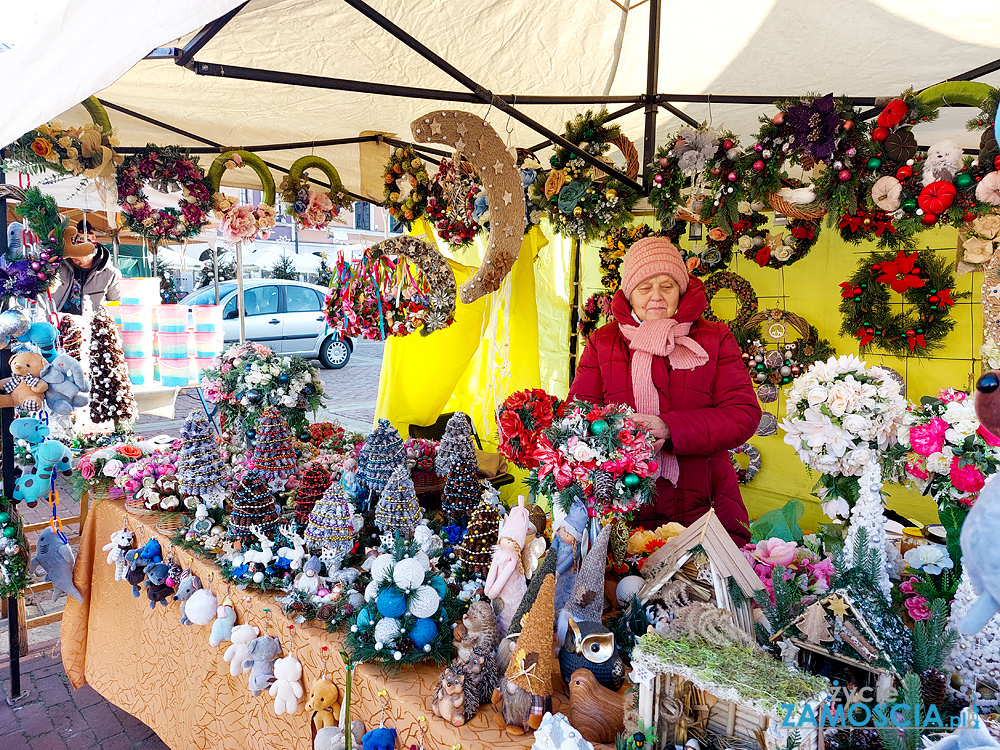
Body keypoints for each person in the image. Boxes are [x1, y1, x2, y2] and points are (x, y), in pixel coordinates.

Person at [568, 237, 761, 545]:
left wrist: (670, 428)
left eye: (667, 285)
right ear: (630, 294)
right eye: (645, 288)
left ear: (681, 290)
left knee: (705, 585)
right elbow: (576, 418)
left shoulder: (715, 338)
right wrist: (617, 437)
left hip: (706, 502)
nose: (656, 296)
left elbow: (743, 415)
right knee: (623, 585)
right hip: (623, 503)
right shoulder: (602, 342)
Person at [48, 220, 121, 315]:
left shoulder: (110, 274)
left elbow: (117, 305)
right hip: (56, 323)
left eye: (78, 252)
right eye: (71, 252)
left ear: (92, 253)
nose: (72, 256)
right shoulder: (60, 265)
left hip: (91, 327)